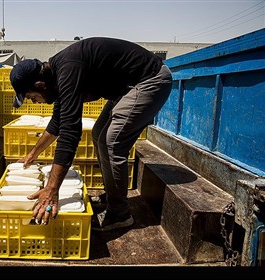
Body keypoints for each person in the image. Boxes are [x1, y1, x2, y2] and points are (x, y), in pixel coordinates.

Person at [9, 37, 173, 231]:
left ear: (40, 85)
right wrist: (32, 154)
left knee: (111, 142)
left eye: (31, 97)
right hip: (126, 88)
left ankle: (120, 214)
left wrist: (52, 190)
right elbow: (57, 123)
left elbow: (70, 132)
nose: (34, 102)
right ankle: (113, 196)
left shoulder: (68, 70)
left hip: (150, 80)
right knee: (98, 134)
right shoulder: (57, 77)